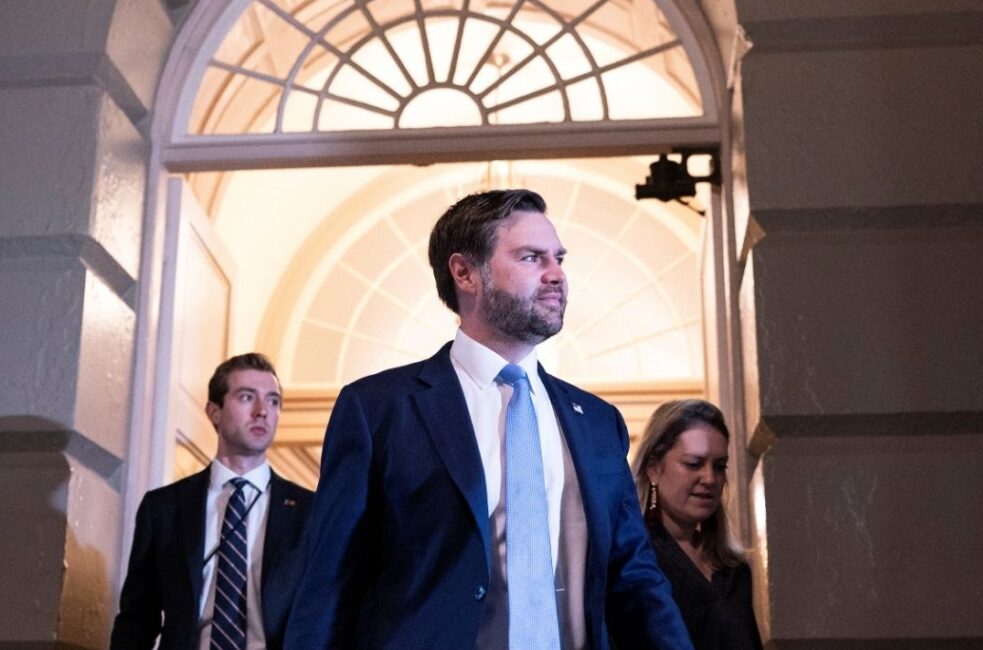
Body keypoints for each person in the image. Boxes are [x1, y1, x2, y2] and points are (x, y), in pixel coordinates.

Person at [284, 189, 692, 649]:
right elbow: (329, 584)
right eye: (531, 258)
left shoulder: (598, 422)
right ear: (465, 273)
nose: (556, 274)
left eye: (558, 258)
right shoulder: (378, 409)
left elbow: (635, 579)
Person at [111, 353, 314, 650]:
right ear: (214, 411)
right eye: (247, 397)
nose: (262, 411)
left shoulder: (310, 511)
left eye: (273, 401)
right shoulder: (164, 508)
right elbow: (137, 619)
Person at [630, 400, 763, 650]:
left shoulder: (733, 570)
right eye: (693, 464)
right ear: (653, 468)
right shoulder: (634, 562)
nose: (710, 478)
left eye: (719, 466)